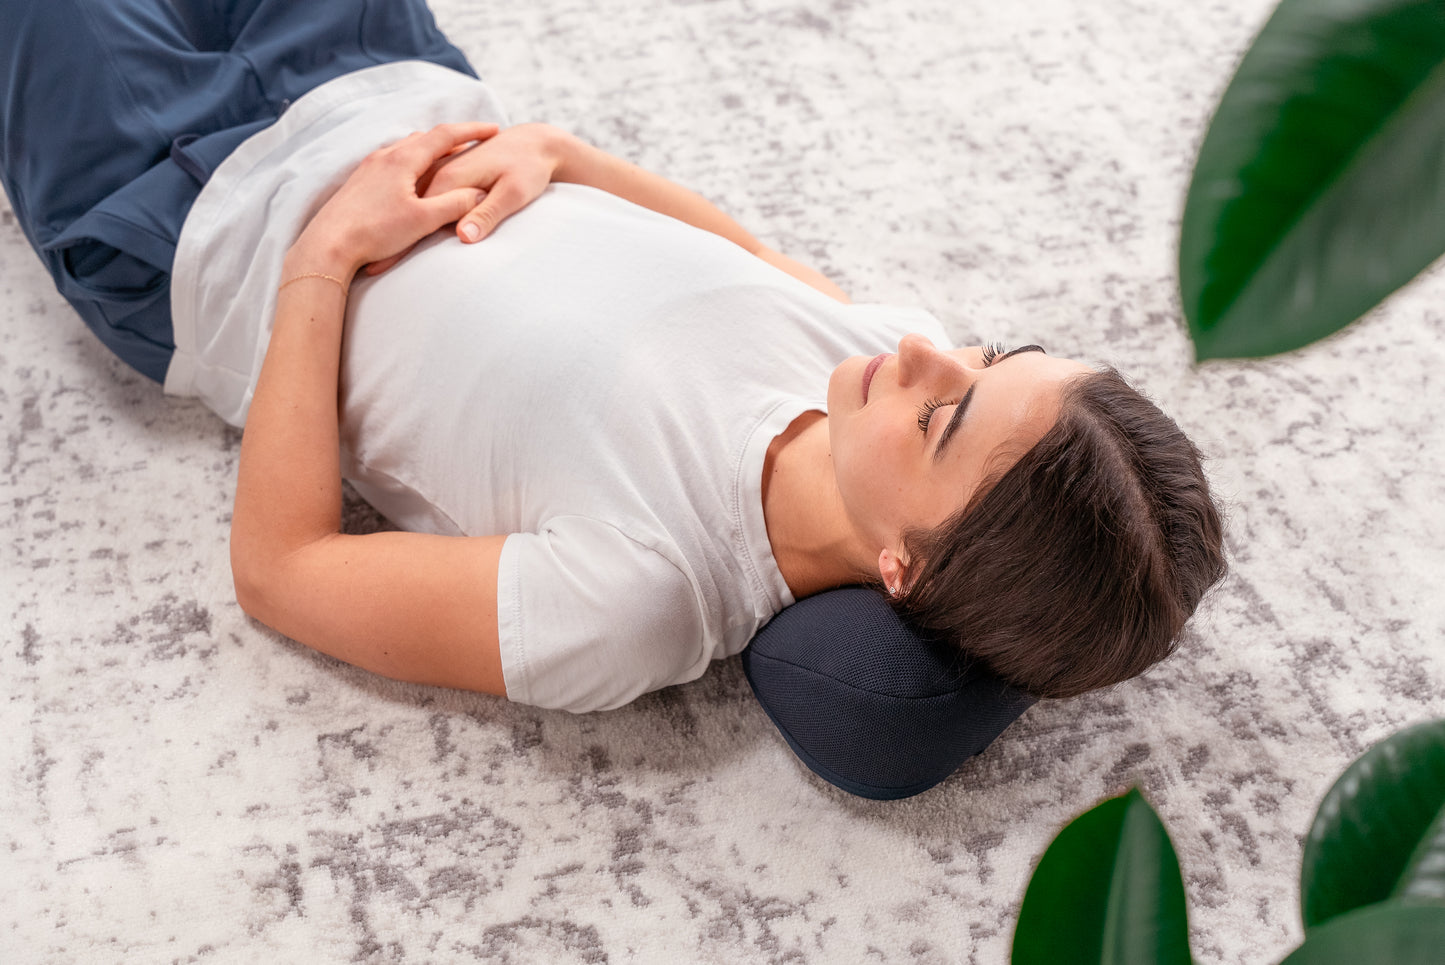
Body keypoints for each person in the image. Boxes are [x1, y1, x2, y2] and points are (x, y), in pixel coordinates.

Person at [1, 0, 1225, 715]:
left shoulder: (636, 601)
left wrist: (325, 259)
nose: (919, 353)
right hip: (368, 66)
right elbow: (732, 253)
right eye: (985, 356)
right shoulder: (867, 367)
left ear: (902, 568)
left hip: (191, 210)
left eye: (944, 419)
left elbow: (282, 568)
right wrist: (560, 154)